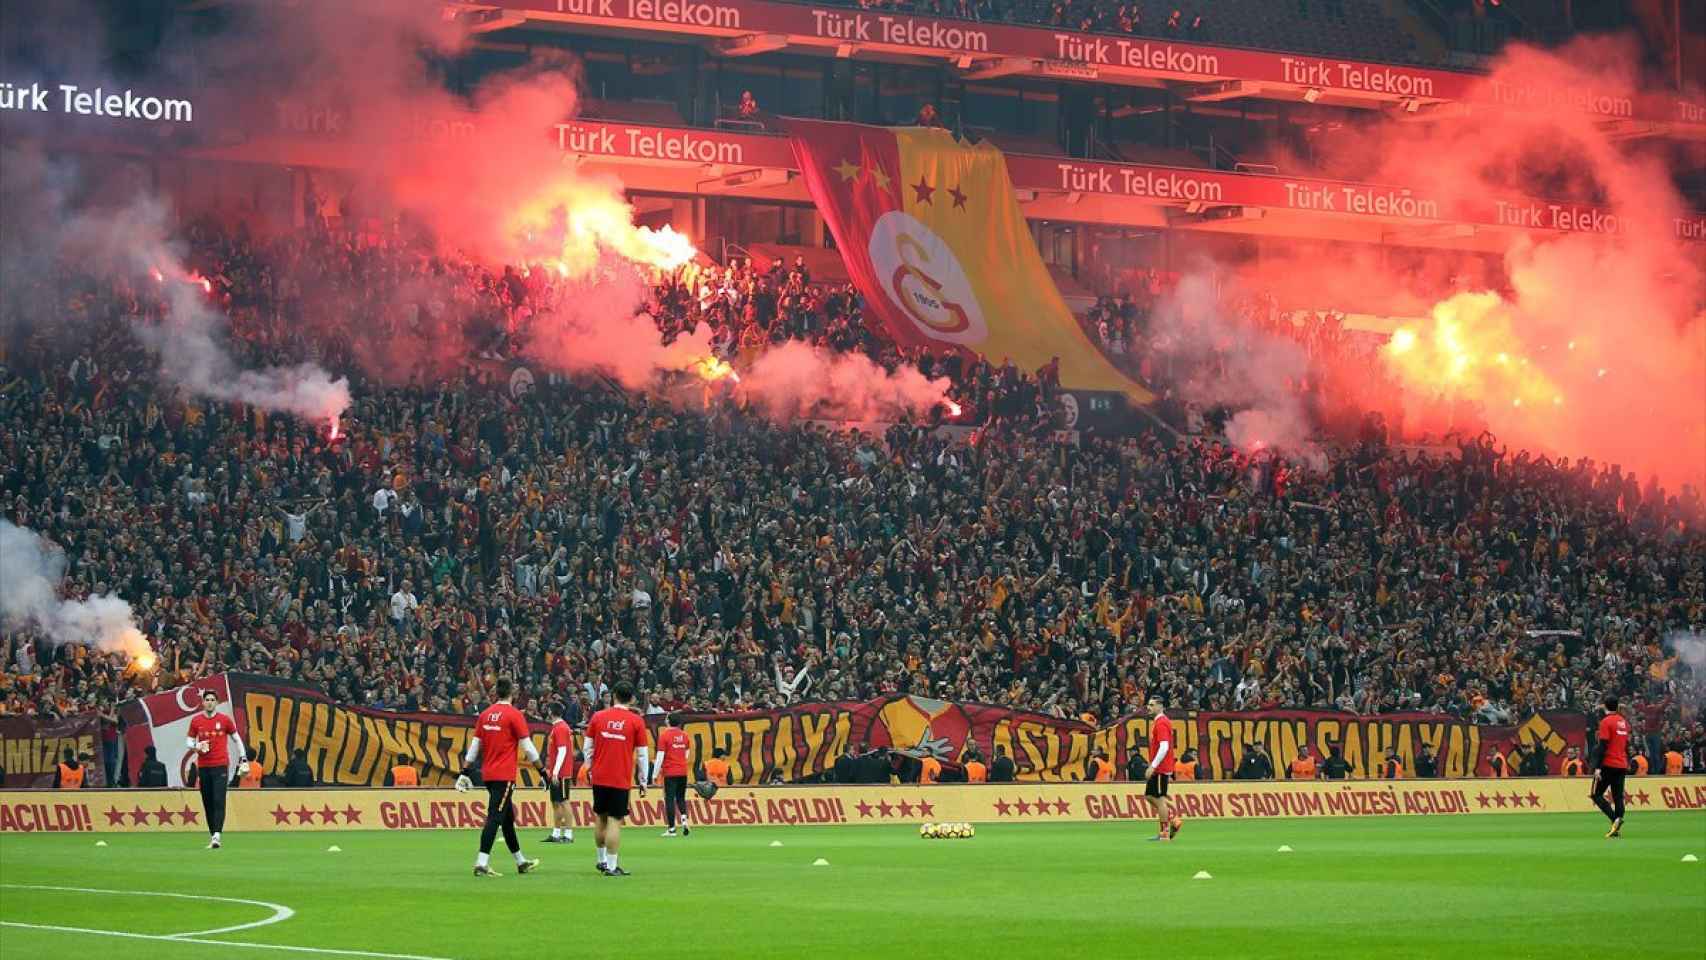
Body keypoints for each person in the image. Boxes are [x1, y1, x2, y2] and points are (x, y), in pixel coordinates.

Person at [456, 677, 541, 877]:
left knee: (507, 819)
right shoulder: (514, 715)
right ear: (512, 692)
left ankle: (521, 862)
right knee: (495, 817)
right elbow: (528, 748)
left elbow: (475, 746)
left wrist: (464, 771)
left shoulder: (485, 714)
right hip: (505, 776)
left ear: (495, 693)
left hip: (489, 775)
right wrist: (543, 771)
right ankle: (482, 862)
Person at [585, 680, 650, 876]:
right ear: (632, 699)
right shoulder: (636, 721)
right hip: (620, 778)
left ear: (613, 696)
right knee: (615, 820)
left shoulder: (598, 717)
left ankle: (601, 860)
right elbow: (642, 754)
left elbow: (588, 747)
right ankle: (612, 866)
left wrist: (589, 768)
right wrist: (643, 780)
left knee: (600, 817)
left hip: (599, 776)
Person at [187, 689, 247, 850]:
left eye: (213, 699)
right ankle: (212, 834)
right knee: (207, 802)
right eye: (207, 699)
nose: (210, 702)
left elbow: (237, 739)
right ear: (203, 702)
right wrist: (197, 746)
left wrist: (243, 758)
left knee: (219, 799)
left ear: (217, 702)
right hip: (204, 766)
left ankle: (217, 836)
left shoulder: (225, 720)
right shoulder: (196, 721)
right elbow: (189, 742)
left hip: (220, 765)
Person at [1590, 695, 1631, 838]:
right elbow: (1626, 744)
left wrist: (1597, 767)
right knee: (1618, 797)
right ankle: (1616, 828)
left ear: (1605, 706)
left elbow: (1603, 745)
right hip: (1621, 764)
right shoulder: (1624, 722)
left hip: (1608, 764)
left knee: (1596, 794)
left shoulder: (1606, 722)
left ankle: (1615, 820)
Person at [1144, 697, 1180, 841]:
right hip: (1160, 766)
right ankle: (1173, 819)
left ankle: (1164, 832)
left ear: (1160, 706)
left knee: (1159, 799)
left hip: (1160, 768)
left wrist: (1153, 766)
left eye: (1152, 705)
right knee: (1150, 796)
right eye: (1148, 704)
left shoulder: (1161, 723)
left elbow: (1164, 747)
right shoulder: (1160, 722)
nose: (1149, 707)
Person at [652, 712, 692, 837]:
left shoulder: (664, 735)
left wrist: (655, 774)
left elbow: (660, 756)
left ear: (668, 721)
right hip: (682, 771)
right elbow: (687, 752)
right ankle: (684, 820)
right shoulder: (684, 735)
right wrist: (680, 760)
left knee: (669, 799)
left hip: (670, 772)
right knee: (680, 798)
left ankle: (671, 829)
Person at [544, 702, 576, 843]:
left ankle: (568, 834)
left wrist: (556, 772)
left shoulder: (561, 728)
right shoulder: (558, 727)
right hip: (557, 771)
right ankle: (556, 833)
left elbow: (562, 751)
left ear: (551, 711)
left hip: (561, 772)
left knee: (564, 801)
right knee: (556, 802)